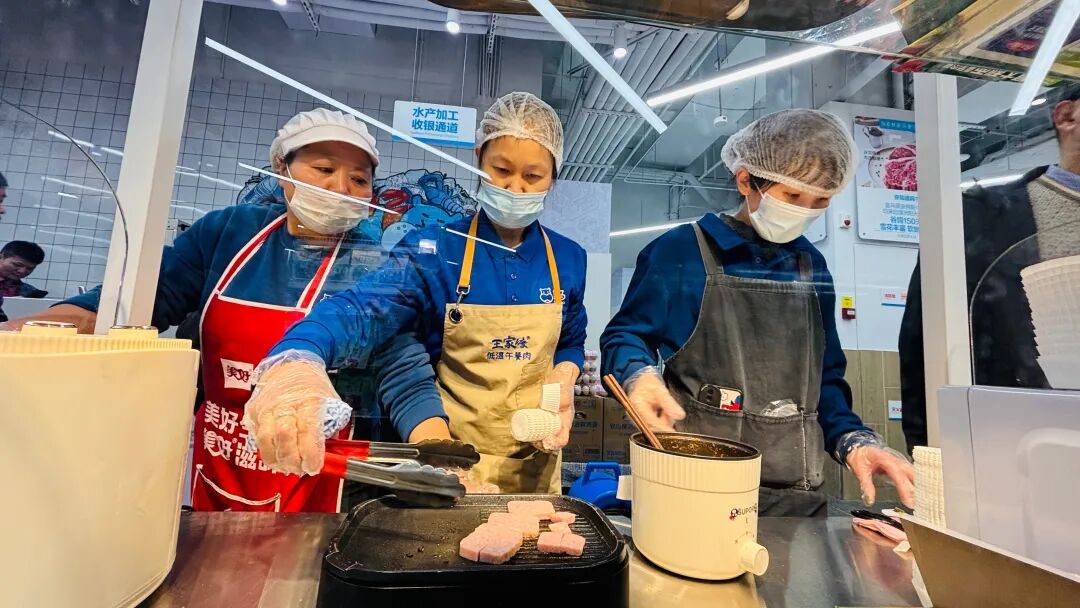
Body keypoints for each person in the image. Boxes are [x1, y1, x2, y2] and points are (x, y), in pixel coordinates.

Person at [3, 108, 440, 512]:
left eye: (359, 179)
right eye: (324, 169)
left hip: (318, 469)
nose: (341, 188)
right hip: (221, 449)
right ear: (282, 169)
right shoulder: (229, 232)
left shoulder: (372, 264)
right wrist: (30, 334)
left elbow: (403, 371)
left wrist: (437, 453)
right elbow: (136, 303)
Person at [244, 92, 587, 494]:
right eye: (501, 170)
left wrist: (566, 374)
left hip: (537, 467)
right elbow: (364, 309)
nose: (515, 187)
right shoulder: (435, 248)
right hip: (451, 460)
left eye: (533, 177)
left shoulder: (568, 258)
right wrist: (299, 356)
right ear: (478, 159)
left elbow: (570, 339)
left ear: (553, 178)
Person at [600, 109, 914, 516]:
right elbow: (626, 336)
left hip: (795, 499)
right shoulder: (682, 252)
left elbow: (826, 380)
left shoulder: (810, 266)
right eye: (793, 197)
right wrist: (638, 376)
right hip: (696, 486)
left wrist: (854, 441)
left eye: (820, 201)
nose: (805, 211)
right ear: (746, 180)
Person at [900, 91, 1080, 451]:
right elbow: (924, 340)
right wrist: (931, 451)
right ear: (1066, 116)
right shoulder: (977, 217)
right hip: (1014, 447)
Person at [0, 240, 47, 322]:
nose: (22, 271)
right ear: (1, 257)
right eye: (17, 265)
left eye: (30, 268)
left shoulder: (32, 294)